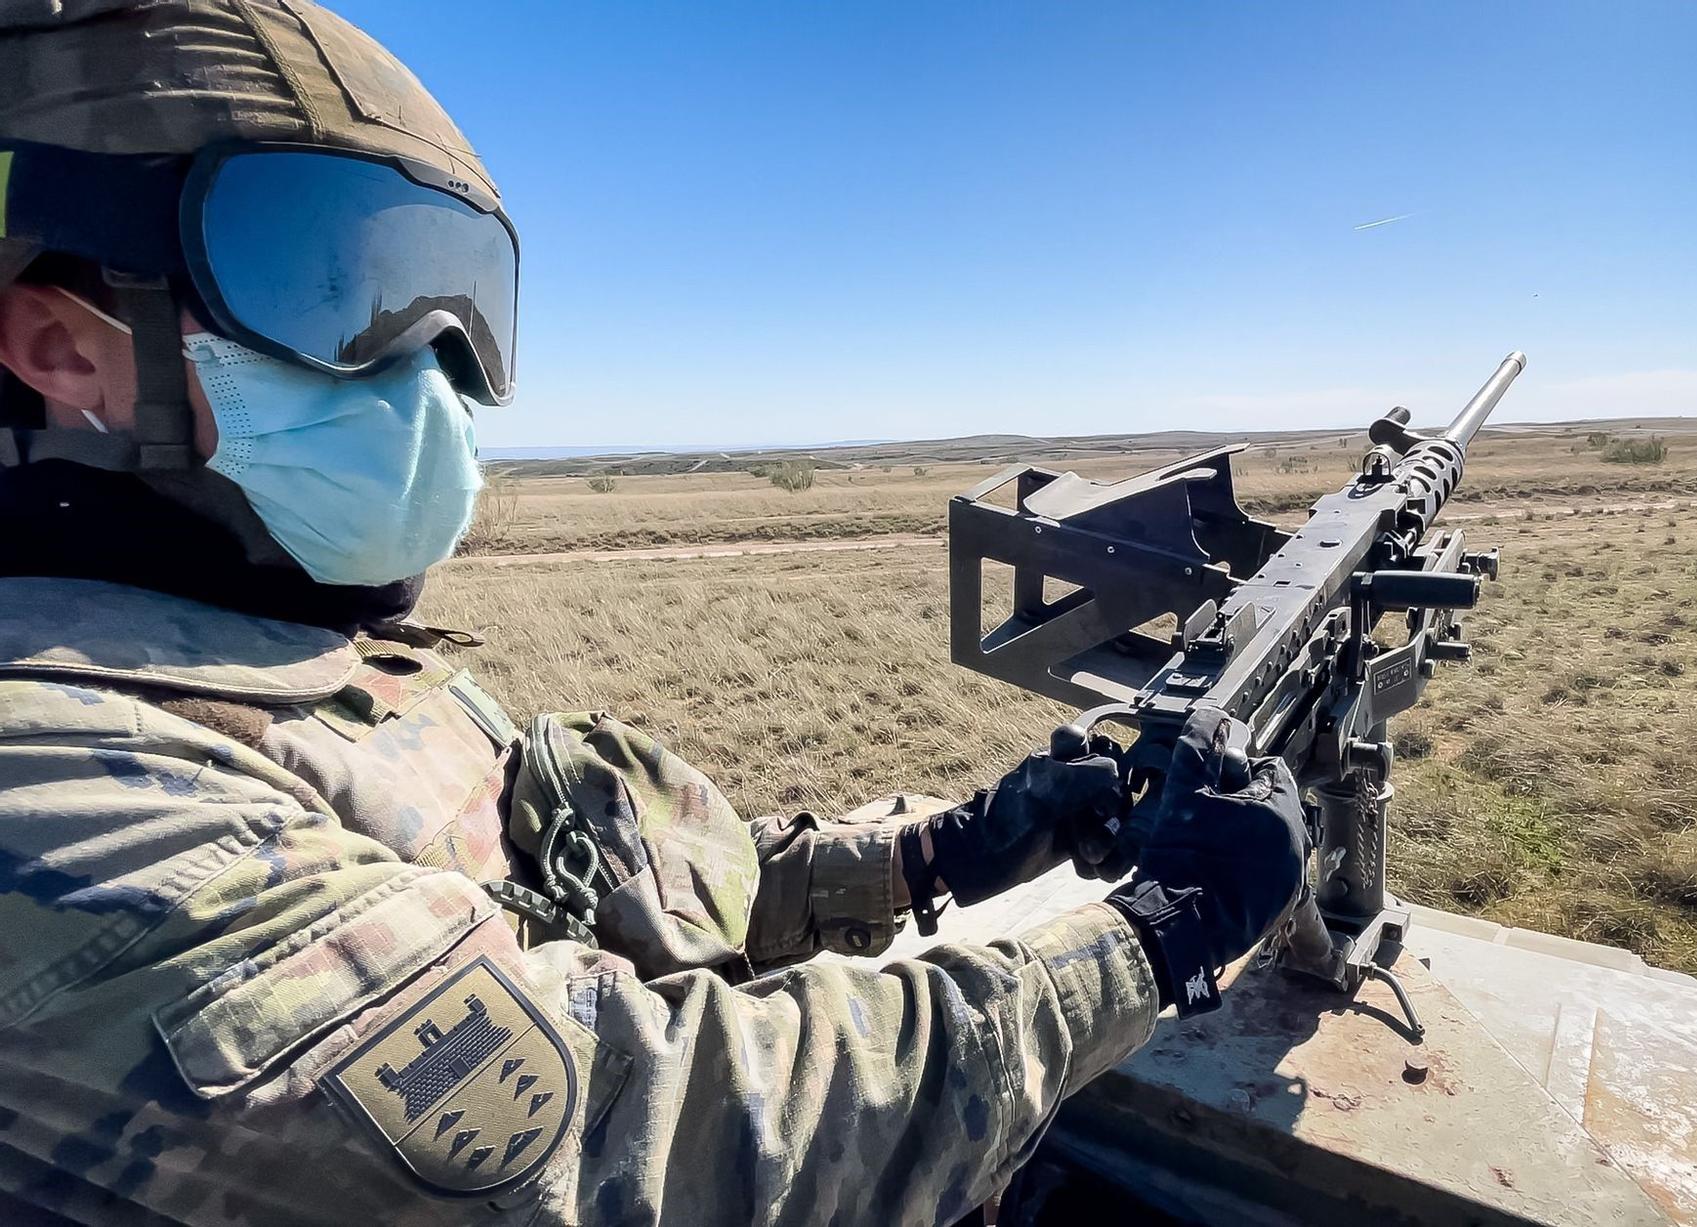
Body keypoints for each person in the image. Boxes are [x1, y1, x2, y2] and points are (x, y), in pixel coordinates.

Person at [0, 3, 1307, 1224]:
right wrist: (1158, 939)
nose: (433, 367)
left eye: (457, 306)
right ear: (61, 348)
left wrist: (943, 857)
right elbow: (662, 1134)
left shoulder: (274, 659)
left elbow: (580, 910)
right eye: (334, 290)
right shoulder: (58, 789)